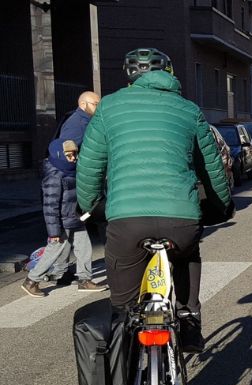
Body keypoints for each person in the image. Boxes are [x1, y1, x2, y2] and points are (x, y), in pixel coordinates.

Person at [76, 48, 232, 353]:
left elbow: (89, 164)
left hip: (126, 220)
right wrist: (219, 206)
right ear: (170, 74)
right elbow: (212, 167)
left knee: (123, 309)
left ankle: (125, 363)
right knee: (187, 255)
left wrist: (91, 204)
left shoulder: (108, 108)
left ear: (130, 77)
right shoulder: (188, 110)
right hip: (181, 219)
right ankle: (188, 322)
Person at [22, 139, 107, 297]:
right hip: (62, 222)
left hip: (75, 218)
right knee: (53, 252)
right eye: (69, 155)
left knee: (85, 248)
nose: (73, 158)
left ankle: (85, 280)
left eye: (74, 154)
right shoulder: (54, 176)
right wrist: (54, 232)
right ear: (59, 155)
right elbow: (49, 206)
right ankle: (31, 280)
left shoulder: (70, 170)